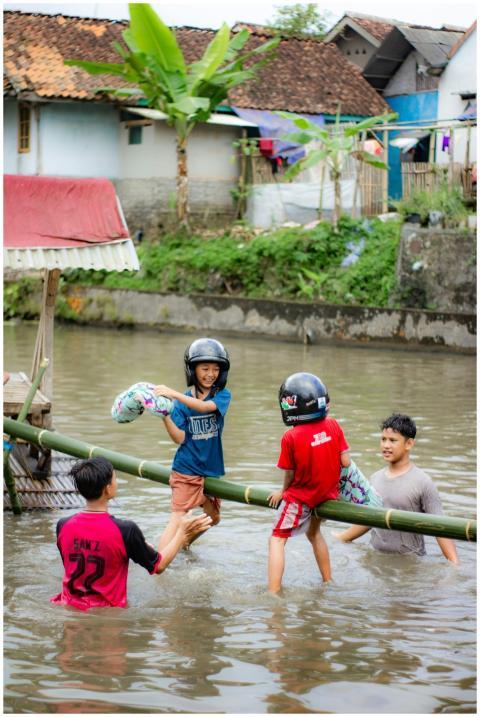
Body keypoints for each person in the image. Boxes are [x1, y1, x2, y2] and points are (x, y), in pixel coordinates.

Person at [51, 456, 212, 611]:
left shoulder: (63, 525)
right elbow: (159, 566)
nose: (116, 482)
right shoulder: (126, 531)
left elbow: (81, 557)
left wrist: (133, 547)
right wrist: (182, 534)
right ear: (108, 488)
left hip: (68, 607)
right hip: (109, 616)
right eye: (114, 478)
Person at [334, 413, 459, 564]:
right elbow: (370, 519)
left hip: (409, 564)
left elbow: (441, 526)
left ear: (409, 444)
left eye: (393, 440)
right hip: (375, 559)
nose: (386, 445)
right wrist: (341, 538)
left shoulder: (423, 482)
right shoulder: (375, 478)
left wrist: (454, 563)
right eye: (383, 439)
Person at [268, 372, 351, 593]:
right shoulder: (333, 425)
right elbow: (346, 461)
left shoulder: (290, 437)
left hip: (303, 498)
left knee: (277, 539)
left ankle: (273, 592)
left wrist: (282, 493)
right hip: (327, 495)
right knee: (314, 534)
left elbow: (290, 474)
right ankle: (328, 581)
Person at [154, 337, 231, 550]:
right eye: (204, 368)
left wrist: (174, 394)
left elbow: (204, 407)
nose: (210, 374)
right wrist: (165, 416)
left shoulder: (222, 395)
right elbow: (179, 438)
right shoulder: (180, 404)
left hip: (211, 470)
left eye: (215, 369)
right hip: (186, 469)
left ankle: (183, 543)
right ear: (193, 370)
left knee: (213, 517)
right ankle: (158, 563)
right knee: (178, 517)